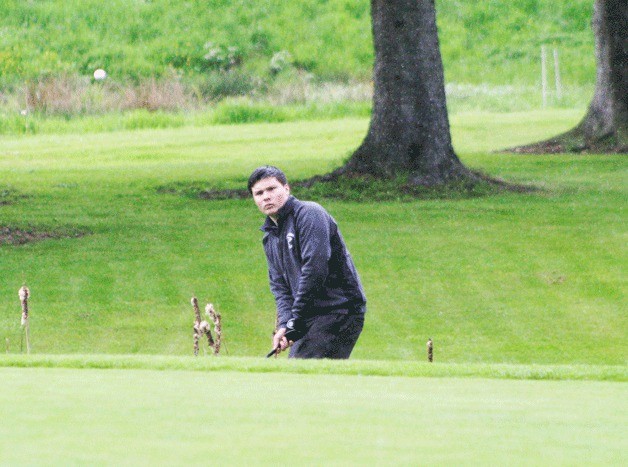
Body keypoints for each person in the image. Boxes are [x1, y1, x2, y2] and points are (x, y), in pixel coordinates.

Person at [248, 166, 367, 359]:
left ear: (286, 189)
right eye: (259, 193)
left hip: (338, 309)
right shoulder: (270, 238)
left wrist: (295, 320)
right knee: (303, 373)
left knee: (300, 370)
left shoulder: (309, 214)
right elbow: (280, 287)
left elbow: (315, 270)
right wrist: (286, 324)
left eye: (271, 189)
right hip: (310, 315)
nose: (266, 197)